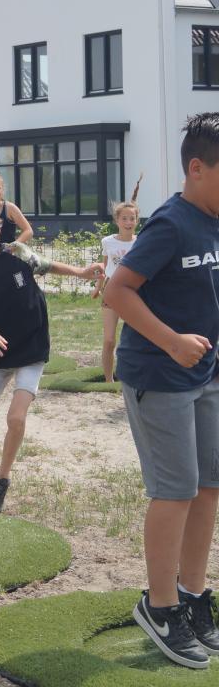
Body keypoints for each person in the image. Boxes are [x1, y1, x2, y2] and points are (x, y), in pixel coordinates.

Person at [105, 112, 219, 670]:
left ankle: (195, 597)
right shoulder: (170, 224)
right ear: (196, 169)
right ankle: (160, 605)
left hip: (209, 376)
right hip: (159, 374)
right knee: (175, 491)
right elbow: (116, 291)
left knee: (209, 488)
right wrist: (173, 341)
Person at [0, 197, 103, 515]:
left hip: (32, 348)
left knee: (16, 417)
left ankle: (1, 480)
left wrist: (81, 272)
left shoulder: (16, 253)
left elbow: (48, 266)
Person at [92, 201, 138, 382]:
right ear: (117, 221)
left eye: (132, 218)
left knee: (135, 338)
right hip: (111, 290)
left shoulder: (142, 241)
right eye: (124, 218)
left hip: (133, 291)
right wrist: (98, 286)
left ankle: (132, 377)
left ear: (136, 221)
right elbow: (105, 266)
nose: (128, 222)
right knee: (109, 340)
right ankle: (109, 380)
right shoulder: (108, 241)